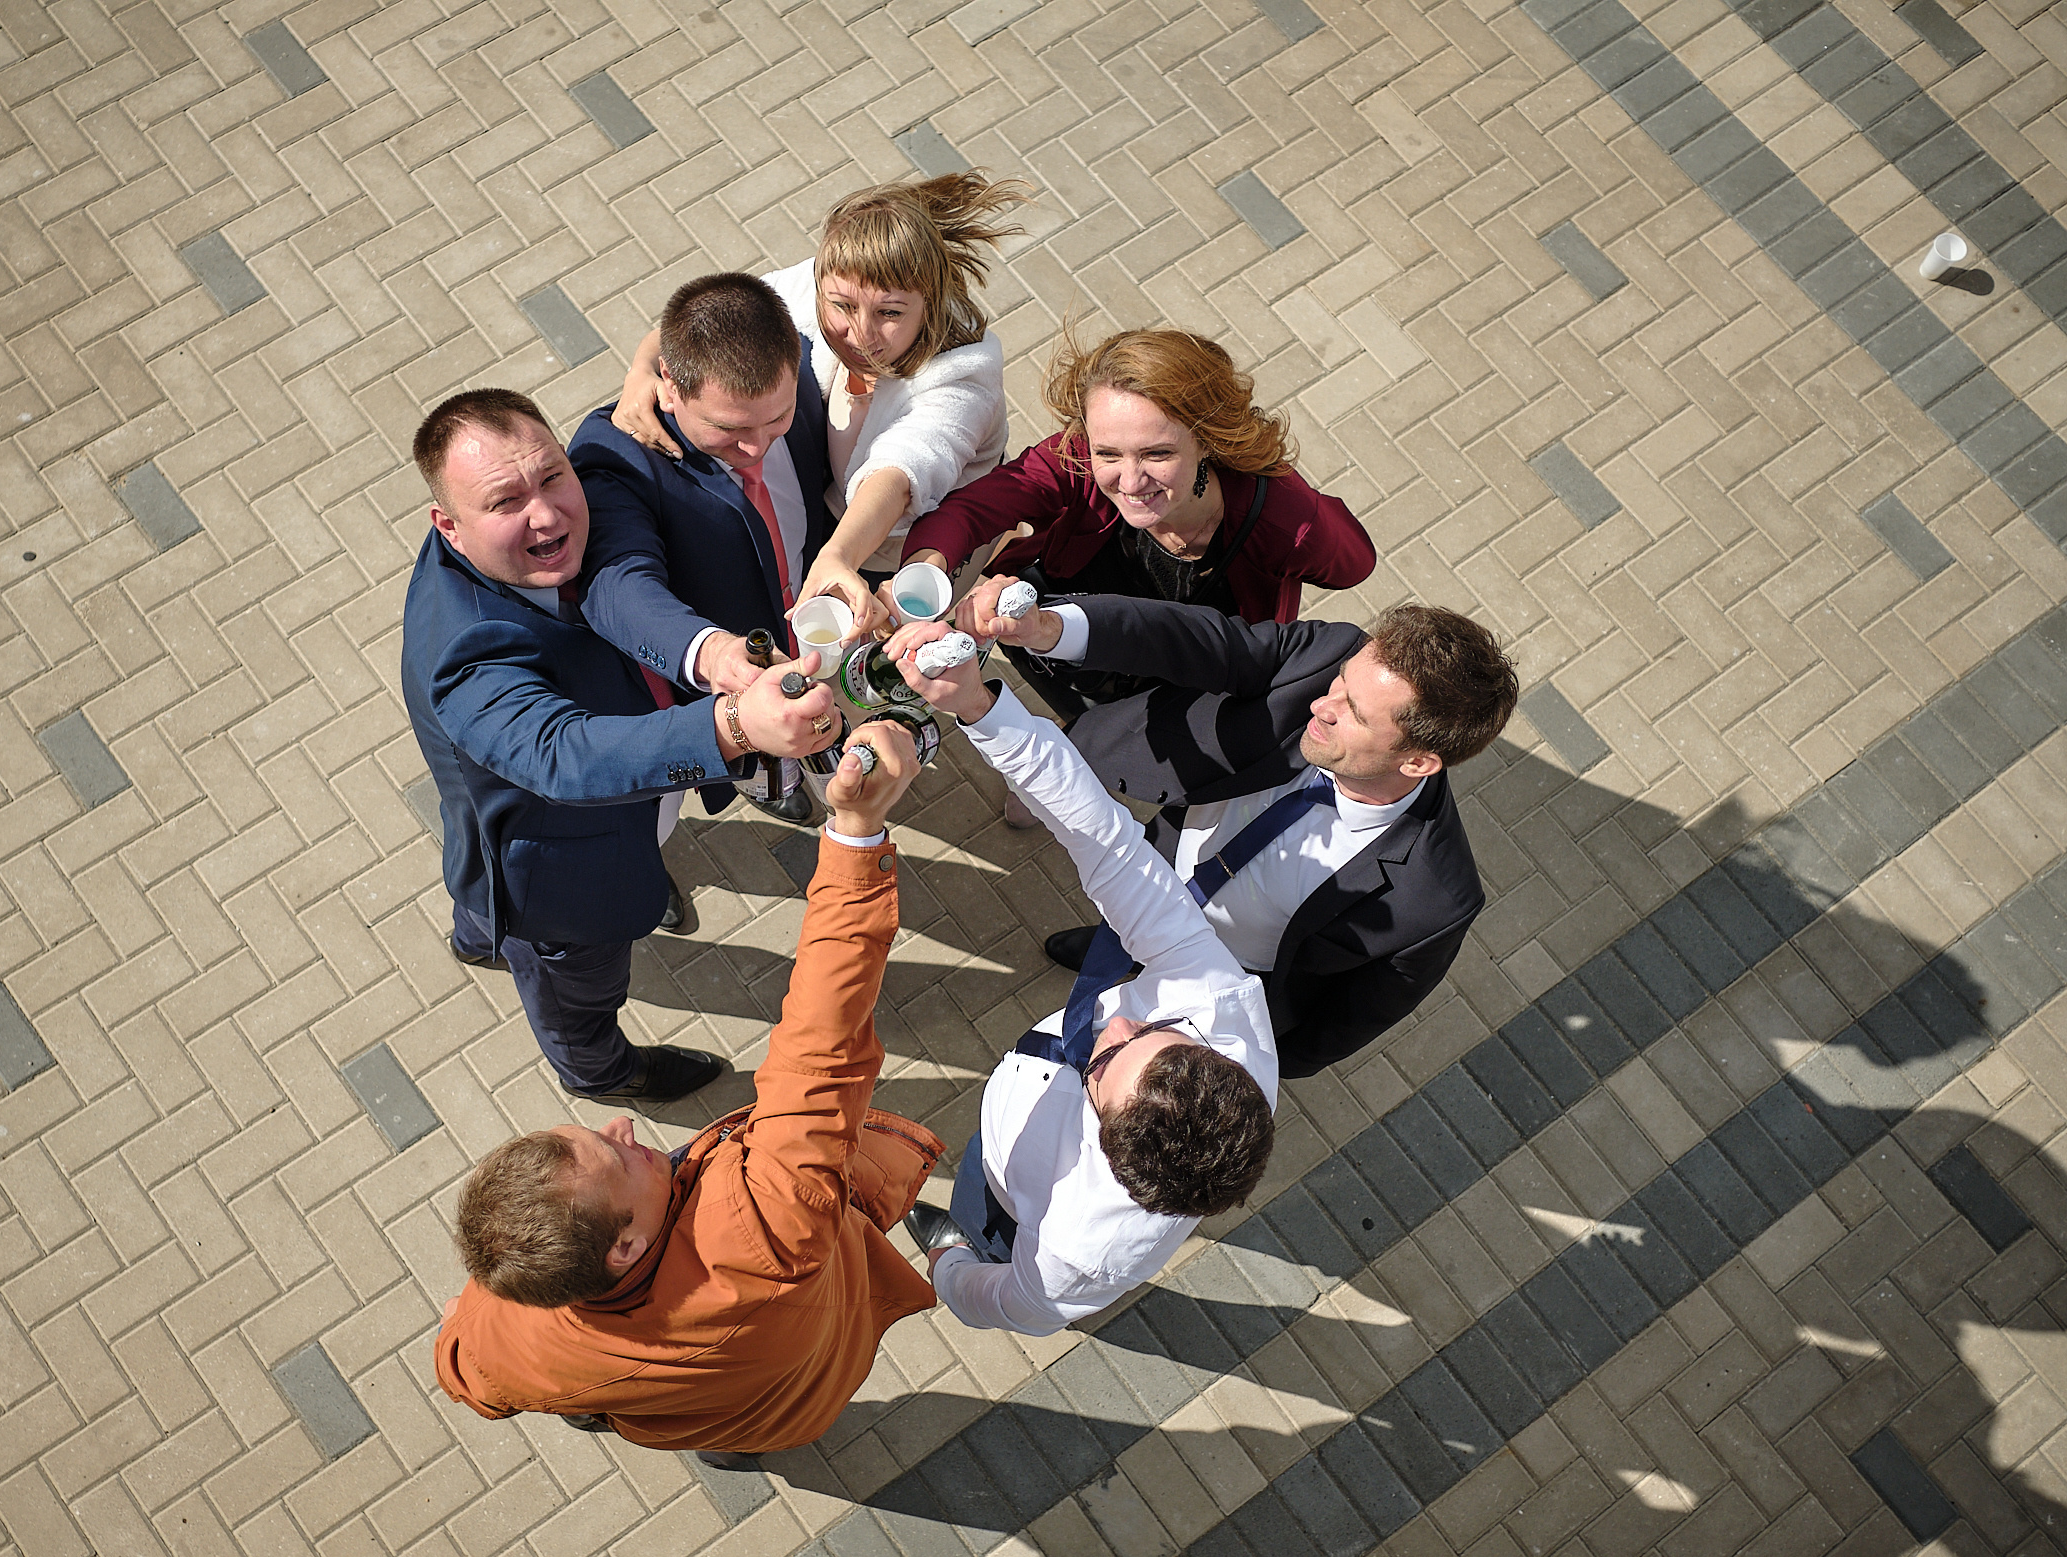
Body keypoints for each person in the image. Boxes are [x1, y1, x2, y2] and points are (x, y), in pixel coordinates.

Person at [434, 721, 944, 1467]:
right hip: (795, 1392)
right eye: (618, 1157)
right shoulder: (768, 1228)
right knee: (760, 1416)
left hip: (695, 1409)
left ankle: (725, 1449)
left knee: (724, 1435)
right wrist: (858, 832)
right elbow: (820, 1039)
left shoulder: (509, 1334)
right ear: (627, 1246)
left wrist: (460, 1339)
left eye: (596, 1134)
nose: (623, 1128)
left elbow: (465, 1372)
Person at [401, 388, 841, 1102]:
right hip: (559, 874)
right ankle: (600, 1071)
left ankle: (477, 933)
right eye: (505, 501)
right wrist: (734, 728)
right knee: (576, 992)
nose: (545, 513)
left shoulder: (568, 496)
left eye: (551, 476)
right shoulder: (464, 653)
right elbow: (561, 754)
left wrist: (645, 367)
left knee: (480, 889)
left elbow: (648, 401)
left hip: (604, 806)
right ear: (447, 526)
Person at [873, 622, 1280, 1337]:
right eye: (1156, 1030)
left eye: (1108, 1060)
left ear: (1114, 1150)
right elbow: (1112, 847)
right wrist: (978, 705)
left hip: (1010, 1202)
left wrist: (950, 1269)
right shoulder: (1220, 1007)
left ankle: (959, 1230)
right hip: (1021, 1118)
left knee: (978, 1224)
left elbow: (1012, 1306)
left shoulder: (1073, 1252)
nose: (1115, 1021)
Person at [961, 578, 1519, 1082]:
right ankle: (1109, 947)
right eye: (1343, 684)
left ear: (1419, 762)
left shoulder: (1436, 901)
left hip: (1213, 985)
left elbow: (1344, 1024)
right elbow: (1199, 639)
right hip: (1162, 871)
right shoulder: (1329, 653)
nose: (1321, 704)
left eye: (1357, 715)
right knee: (1116, 933)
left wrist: (1252, 1066)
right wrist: (1049, 627)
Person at [898, 326, 1378, 724]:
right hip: (1054, 632)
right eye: (1109, 452)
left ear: (1208, 440)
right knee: (1081, 714)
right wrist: (921, 573)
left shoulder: (1285, 519)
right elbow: (971, 510)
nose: (1129, 481)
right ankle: (1075, 741)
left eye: (1158, 453)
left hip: (1191, 683)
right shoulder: (1075, 457)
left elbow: (1353, 565)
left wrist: (1299, 508)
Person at [607, 173, 1028, 626]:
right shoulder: (818, 288)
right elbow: (714, 323)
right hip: (836, 517)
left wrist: (839, 555)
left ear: (930, 301)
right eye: (842, 306)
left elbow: (900, 471)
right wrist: (644, 368)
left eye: (889, 313)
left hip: (912, 541)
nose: (861, 334)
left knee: (909, 645)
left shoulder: (964, 378)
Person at [570, 272, 842, 822]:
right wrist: (713, 653)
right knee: (764, 750)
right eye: (727, 429)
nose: (757, 445)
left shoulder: (805, 365)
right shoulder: (616, 456)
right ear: (667, 384)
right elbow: (616, 584)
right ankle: (767, 784)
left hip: (813, 625)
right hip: (730, 668)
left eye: (778, 419)